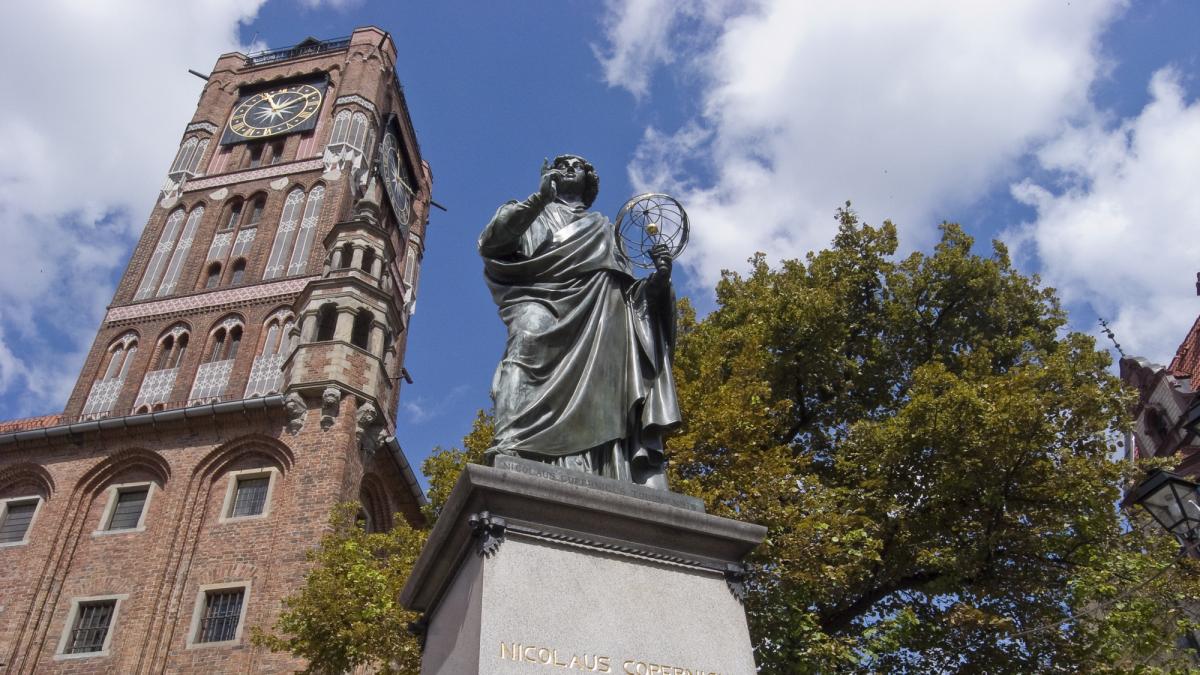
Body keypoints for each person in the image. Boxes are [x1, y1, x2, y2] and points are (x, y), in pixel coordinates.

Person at [478, 154, 680, 488]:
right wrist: (539, 198)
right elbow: (494, 243)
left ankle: (604, 467)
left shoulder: (604, 228)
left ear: (589, 181)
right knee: (525, 345)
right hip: (541, 299)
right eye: (562, 163)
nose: (571, 168)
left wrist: (659, 280)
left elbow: (632, 294)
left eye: (579, 166)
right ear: (548, 174)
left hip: (602, 315)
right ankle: (510, 444)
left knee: (606, 389)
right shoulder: (529, 212)